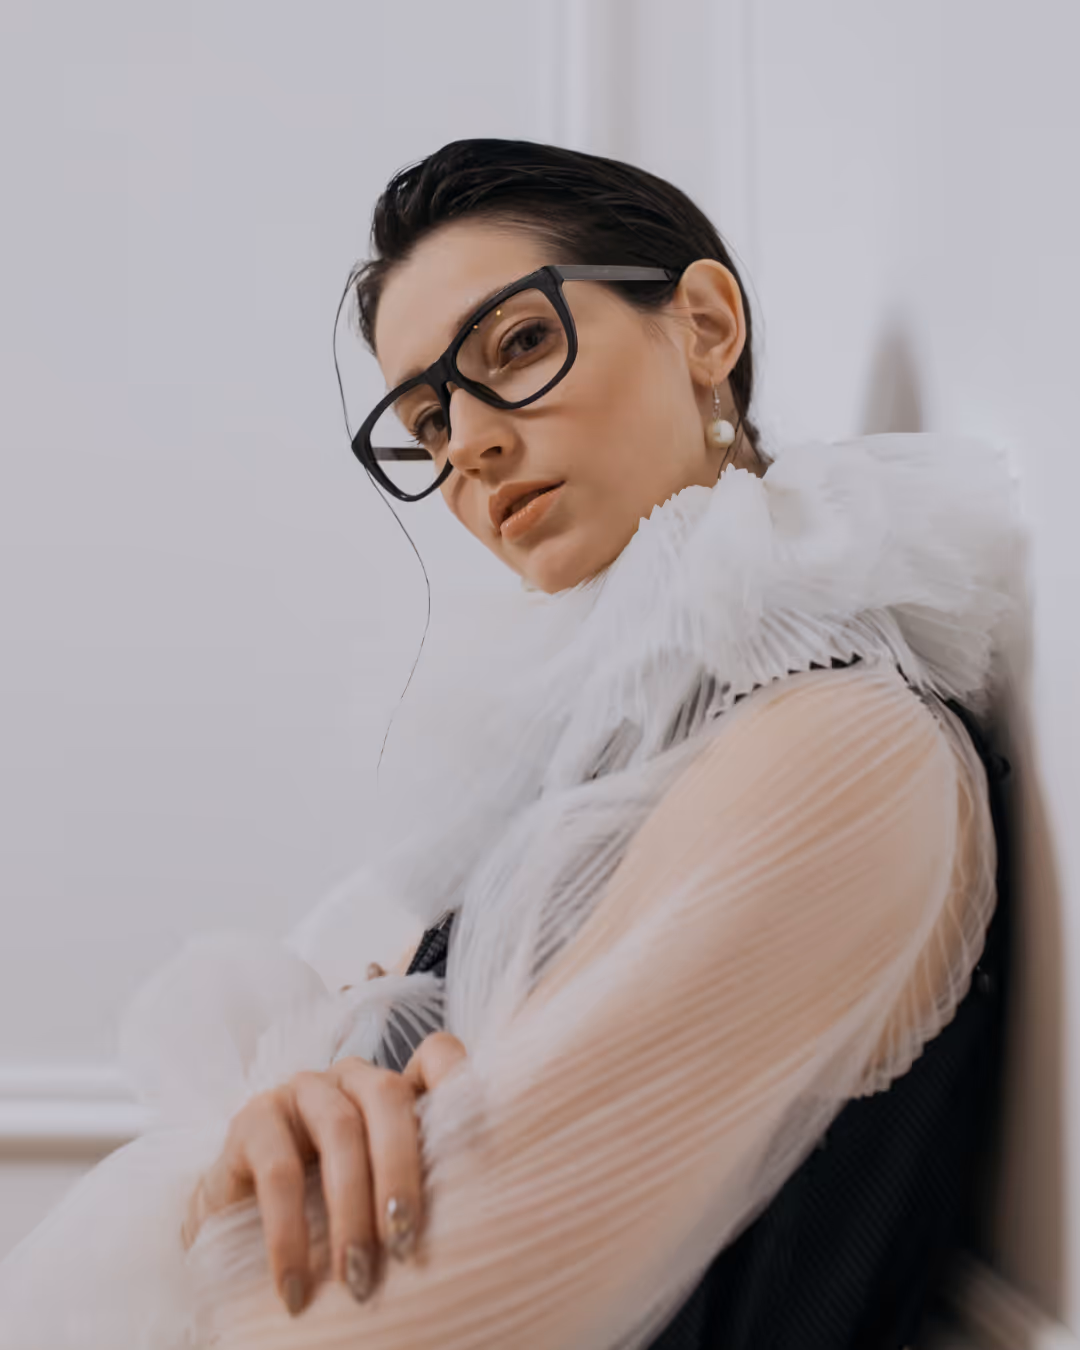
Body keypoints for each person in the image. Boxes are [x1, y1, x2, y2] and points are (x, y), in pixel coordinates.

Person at [0, 138, 1024, 1350]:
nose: (469, 447)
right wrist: (316, 1100)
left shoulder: (843, 753)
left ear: (703, 324)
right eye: (428, 419)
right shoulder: (590, 775)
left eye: (519, 347)